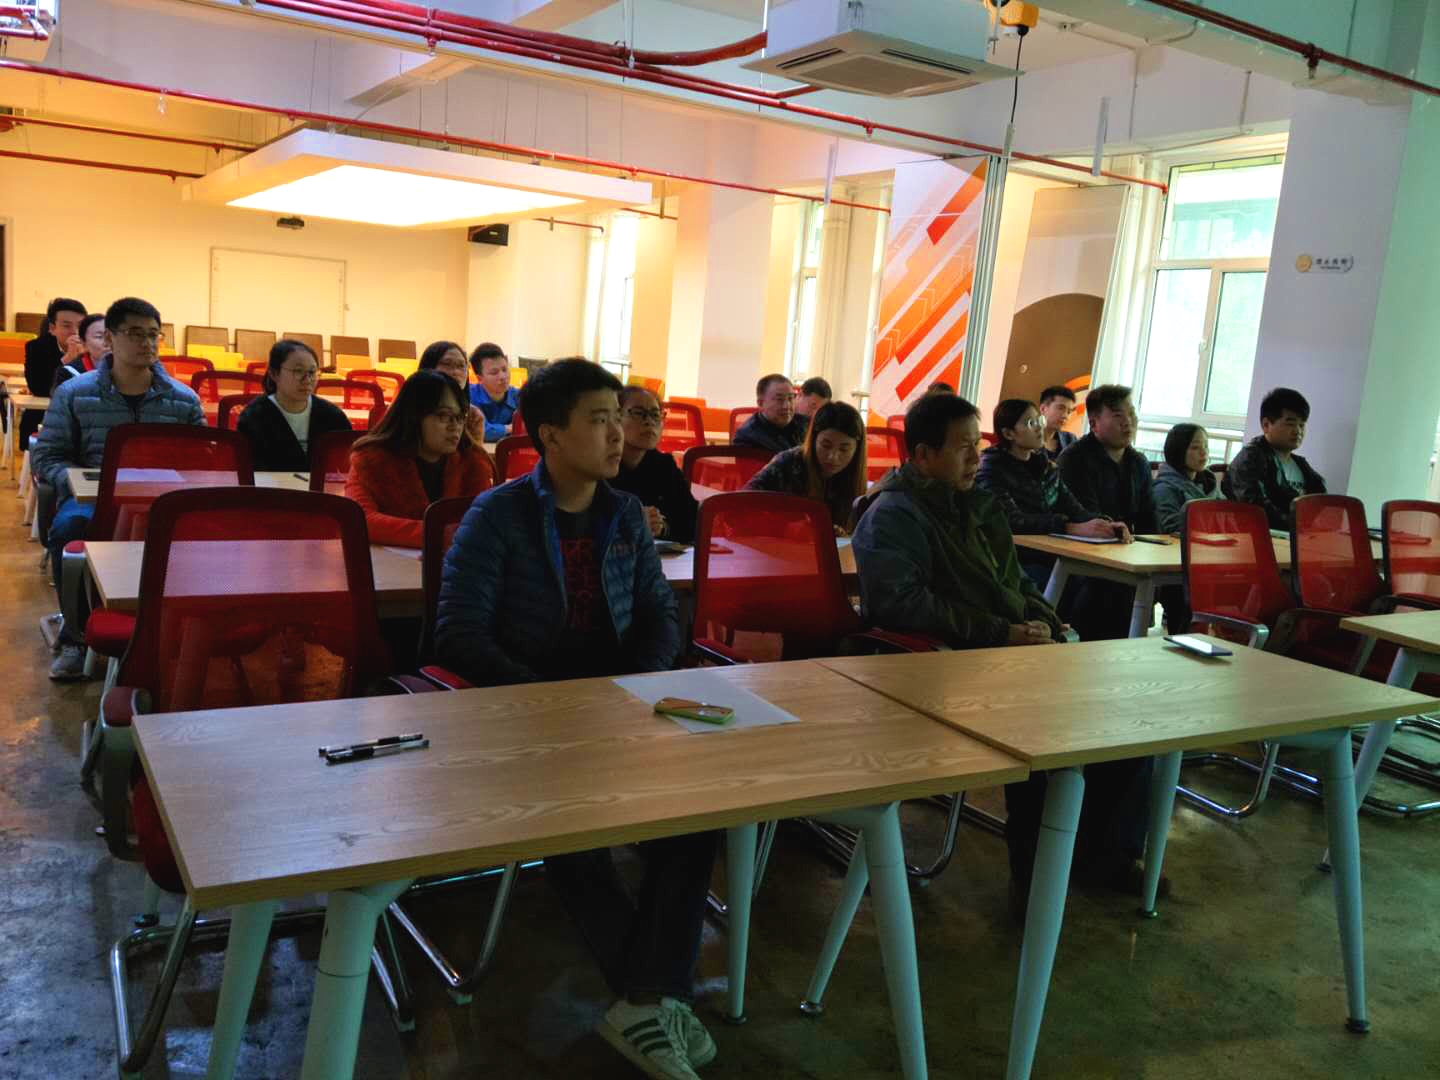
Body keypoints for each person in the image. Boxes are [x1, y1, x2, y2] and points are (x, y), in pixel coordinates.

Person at [434, 359, 715, 1080]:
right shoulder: (497, 515)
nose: (619, 433)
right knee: (573, 820)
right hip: (529, 717)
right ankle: (653, 997)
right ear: (551, 435)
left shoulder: (623, 513)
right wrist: (551, 701)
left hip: (618, 709)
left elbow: (660, 613)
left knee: (701, 810)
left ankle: (645, 999)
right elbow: (459, 635)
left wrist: (635, 687)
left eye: (619, 417)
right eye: (599, 419)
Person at [31, 297, 206, 680]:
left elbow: (204, 465)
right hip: (96, 498)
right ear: (109, 338)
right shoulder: (75, 393)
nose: (147, 343)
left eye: (153, 335)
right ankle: (75, 638)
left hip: (162, 500)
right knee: (70, 527)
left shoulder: (183, 400)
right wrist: (77, 482)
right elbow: (47, 456)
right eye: (135, 333)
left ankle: (184, 628)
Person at [976, 399, 1128, 590]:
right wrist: (1067, 527)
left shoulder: (1045, 467)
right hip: (1013, 560)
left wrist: (1106, 524)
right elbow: (1010, 520)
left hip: (1049, 554)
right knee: (1082, 583)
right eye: (1030, 423)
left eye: (1039, 420)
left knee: (1110, 581)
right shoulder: (991, 469)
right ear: (1008, 433)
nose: (1039, 427)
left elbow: (1075, 509)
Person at [345, 369, 494, 548]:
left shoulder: (471, 463)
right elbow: (361, 519)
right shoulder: (371, 461)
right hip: (386, 563)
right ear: (414, 415)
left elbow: (483, 522)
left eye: (460, 417)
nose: (455, 426)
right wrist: (439, 534)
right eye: (444, 416)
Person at [1057, 385, 1154, 640]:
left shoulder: (1138, 462)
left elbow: (1149, 517)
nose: (1128, 422)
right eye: (1118, 415)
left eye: (1131, 414)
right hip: (1084, 556)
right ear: (1094, 423)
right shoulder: (1074, 459)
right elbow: (1085, 515)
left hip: (1127, 554)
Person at [745, 400, 867, 535]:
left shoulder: (855, 478)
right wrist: (786, 527)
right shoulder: (787, 464)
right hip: (776, 544)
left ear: (857, 450)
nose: (833, 457)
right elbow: (739, 508)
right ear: (814, 439)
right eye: (825, 446)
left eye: (844, 449)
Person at [235, 339, 352, 472]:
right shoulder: (253, 417)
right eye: (298, 371)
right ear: (274, 374)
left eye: (312, 372)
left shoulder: (333, 416)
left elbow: (347, 466)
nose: (307, 380)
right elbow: (248, 472)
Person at [1222, 387, 1326, 529]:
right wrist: (1297, 527)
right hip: (1259, 535)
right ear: (1266, 425)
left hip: (1297, 536)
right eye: (1290, 423)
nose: (1298, 431)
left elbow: (1320, 504)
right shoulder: (1249, 460)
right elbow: (1254, 507)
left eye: (1302, 425)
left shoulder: (1301, 465)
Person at [611, 386, 698, 542]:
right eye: (638, 413)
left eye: (655, 415)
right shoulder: (600, 466)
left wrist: (662, 528)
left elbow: (694, 520)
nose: (649, 422)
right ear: (616, 418)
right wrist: (628, 523)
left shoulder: (664, 465)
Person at [21, 297, 86, 444]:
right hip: (43, 417)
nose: (75, 332)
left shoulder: (93, 347)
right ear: (52, 328)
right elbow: (38, 388)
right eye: (66, 326)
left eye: (80, 326)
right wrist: (67, 359)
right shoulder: (36, 348)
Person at [1153, 423, 1219, 535]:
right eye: (1195, 447)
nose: (1203, 452)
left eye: (1206, 446)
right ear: (1178, 450)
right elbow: (1171, 528)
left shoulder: (1209, 483)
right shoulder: (1163, 488)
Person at [418, 339, 485, 443]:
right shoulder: (409, 407)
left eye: (461, 366)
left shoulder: (473, 416)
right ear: (429, 368)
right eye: (447, 364)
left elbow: (475, 452)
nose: (455, 372)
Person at [733, 373, 807, 454]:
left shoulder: (805, 423)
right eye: (779, 399)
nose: (787, 406)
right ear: (761, 403)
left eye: (790, 398)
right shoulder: (747, 437)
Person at [468, 342, 521, 441]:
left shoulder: (518, 395)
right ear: (479, 378)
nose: (503, 377)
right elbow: (480, 431)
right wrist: (511, 428)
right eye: (494, 372)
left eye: (505, 369)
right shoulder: (470, 395)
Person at [49, 313, 106, 392]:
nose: (108, 342)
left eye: (111, 336)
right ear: (83, 342)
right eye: (99, 337)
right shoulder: (69, 372)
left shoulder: (122, 371)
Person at [1038, 384, 1079, 462]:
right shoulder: (1025, 437)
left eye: (1069, 411)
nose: (1065, 416)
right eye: (1060, 408)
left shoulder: (1070, 439)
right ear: (1043, 409)